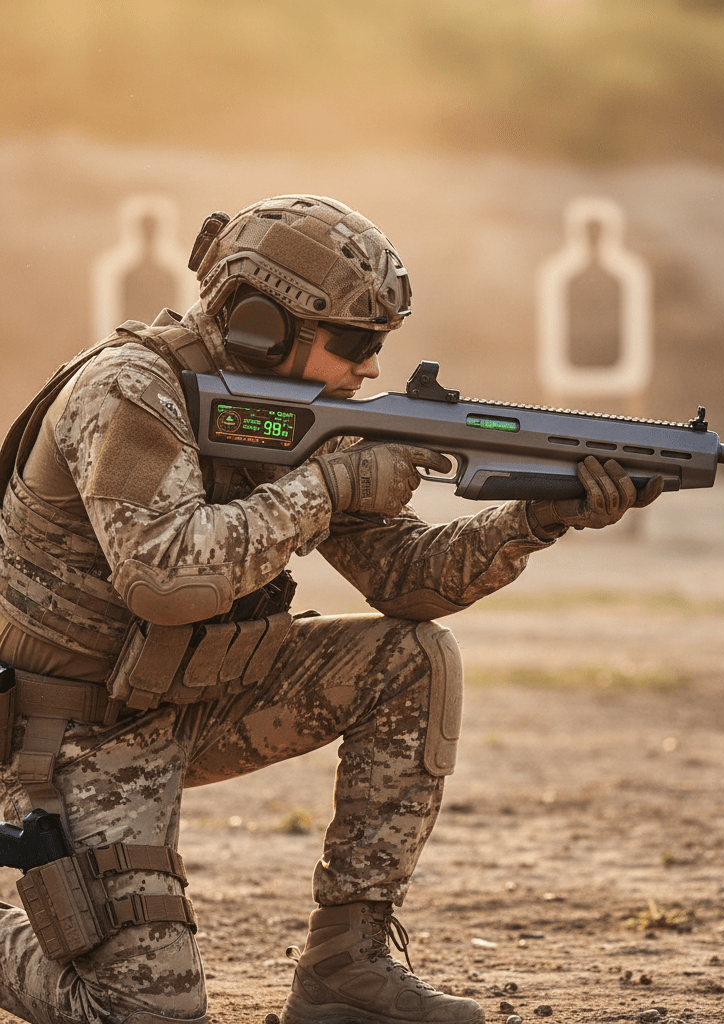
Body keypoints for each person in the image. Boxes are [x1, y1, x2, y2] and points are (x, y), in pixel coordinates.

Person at [0, 195, 661, 1024]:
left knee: (411, 658)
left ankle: (347, 968)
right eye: (353, 344)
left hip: (187, 702)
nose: (372, 369)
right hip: (68, 737)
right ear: (258, 326)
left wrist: (537, 519)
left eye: (377, 345)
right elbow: (164, 579)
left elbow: (408, 580)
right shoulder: (132, 390)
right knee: (145, 1008)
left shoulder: (302, 421)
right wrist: (331, 485)